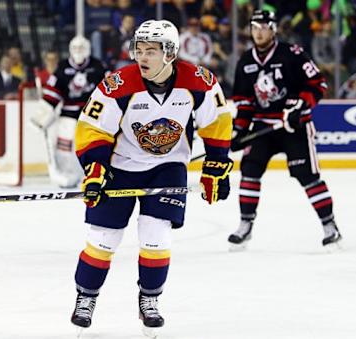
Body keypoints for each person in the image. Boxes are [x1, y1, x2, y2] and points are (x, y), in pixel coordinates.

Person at [70, 20, 233, 335]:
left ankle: (150, 301)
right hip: (121, 166)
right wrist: (95, 169)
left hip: (168, 166)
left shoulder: (200, 82)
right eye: (139, 50)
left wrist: (216, 166)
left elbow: (217, 123)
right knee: (103, 238)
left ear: (170, 53)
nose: (141, 57)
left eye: (151, 51)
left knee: (156, 234)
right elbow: (92, 129)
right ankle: (85, 298)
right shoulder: (118, 85)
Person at [229, 9, 342, 249]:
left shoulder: (293, 54)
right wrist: (239, 130)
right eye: (254, 27)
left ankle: (329, 225)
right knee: (249, 171)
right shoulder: (246, 61)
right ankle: (245, 224)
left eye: (263, 27)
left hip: (294, 126)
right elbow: (244, 101)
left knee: (307, 175)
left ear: (273, 29)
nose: (258, 32)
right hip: (263, 126)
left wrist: (299, 106)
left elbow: (318, 84)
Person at [38, 36, 107, 188]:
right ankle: (66, 174)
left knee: (94, 145)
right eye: (75, 48)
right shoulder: (62, 67)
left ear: (88, 50)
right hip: (68, 114)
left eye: (81, 48)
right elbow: (52, 92)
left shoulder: (98, 66)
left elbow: (108, 91)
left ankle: (93, 175)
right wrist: (42, 116)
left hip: (92, 115)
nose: (78, 52)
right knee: (64, 145)